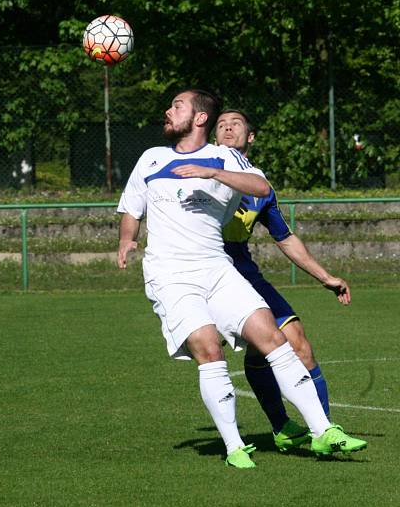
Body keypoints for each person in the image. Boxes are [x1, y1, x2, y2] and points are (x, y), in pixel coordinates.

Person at [116, 89, 366, 468]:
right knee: (208, 347)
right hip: (171, 275)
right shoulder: (151, 158)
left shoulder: (224, 158)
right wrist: (126, 240)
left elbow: (262, 189)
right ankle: (235, 447)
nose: (167, 111)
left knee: (274, 338)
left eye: (176, 106)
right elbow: (132, 206)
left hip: (218, 268)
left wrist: (213, 171)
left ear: (198, 118)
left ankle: (322, 430)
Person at [216, 109, 351, 451]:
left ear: (251, 136)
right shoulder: (202, 174)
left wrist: (325, 276)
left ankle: (325, 432)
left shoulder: (260, 187)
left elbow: (285, 237)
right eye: (221, 124)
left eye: (236, 123)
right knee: (260, 344)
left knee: (298, 341)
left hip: (243, 268)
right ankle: (282, 427)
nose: (228, 127)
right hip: (208, 269)